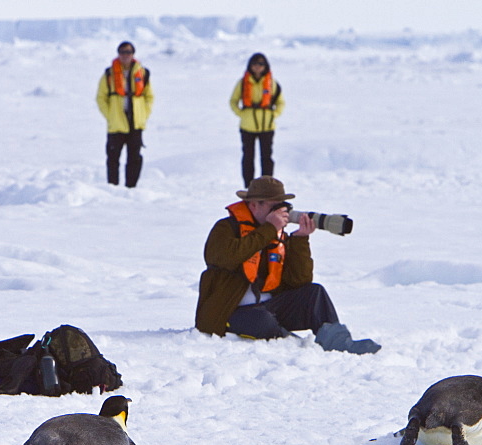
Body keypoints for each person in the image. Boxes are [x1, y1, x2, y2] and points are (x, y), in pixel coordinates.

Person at [194, 176, 380, 354]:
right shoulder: (226, 228)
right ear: (253, 205)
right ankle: (285, 338)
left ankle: (339, 343)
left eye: (282, 206)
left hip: (270, 306)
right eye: (273, 206)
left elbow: (300, 281)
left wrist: (300, 240)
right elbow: (226, 257)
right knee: (262, 321)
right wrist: (268, 229)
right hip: (229, 312)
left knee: (314, 293)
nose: (280, 212)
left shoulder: (277, 234)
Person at [96, 41, 154, 188]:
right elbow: (101, 98)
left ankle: (131, 187)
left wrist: (143, 114)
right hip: (116, 123)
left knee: (134, 157)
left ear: (133, 54)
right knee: (113, 157)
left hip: (136, 123)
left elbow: (149, 97)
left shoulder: (143, 73)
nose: (125, 55)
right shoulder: (109, 74)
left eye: (128, 52)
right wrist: (110, 115)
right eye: (122, 52)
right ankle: (113, 186)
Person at [230, 52, 285, 188]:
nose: (257, 67)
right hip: (247, 126)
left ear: (265, 66)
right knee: (248, 157)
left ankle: (267, 186)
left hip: (267, 126)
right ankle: (249, 186)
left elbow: (280, 102)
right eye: (255, 64)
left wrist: (273, 115)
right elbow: (233, 101)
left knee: (266, 157)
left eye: (261, 64)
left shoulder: (272, 83)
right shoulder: (243, 83)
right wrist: (242, 114)